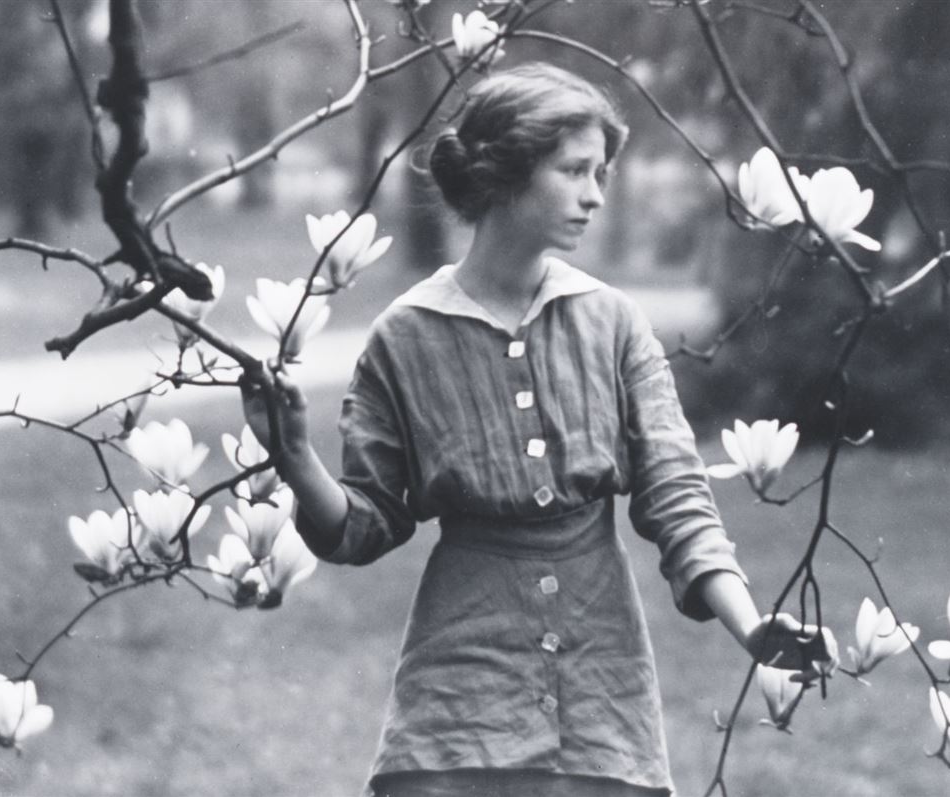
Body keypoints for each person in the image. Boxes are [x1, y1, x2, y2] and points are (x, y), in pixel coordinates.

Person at [241, 63, 832, 797]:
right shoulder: (405, 337)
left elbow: (679, 499)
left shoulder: (613, 324)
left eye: (601, 172)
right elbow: (364, 526)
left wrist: (752, 630)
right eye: (575, 170)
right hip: (458, 689)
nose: (595, 194)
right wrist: (294, 457)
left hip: (601, 674)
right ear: (506, 172)